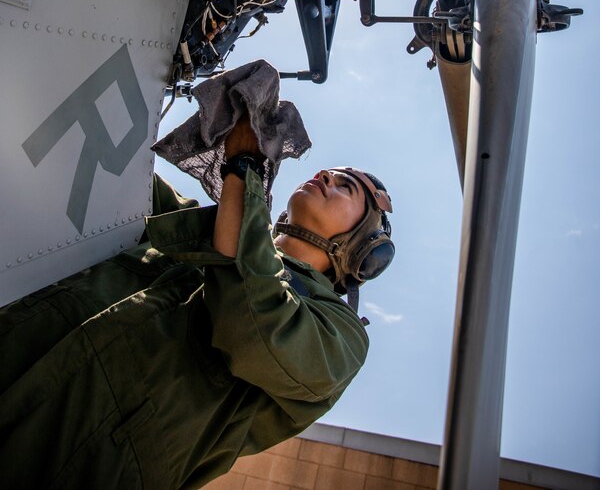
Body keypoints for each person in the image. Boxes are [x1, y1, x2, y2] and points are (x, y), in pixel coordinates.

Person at [0, 114, 394, 490]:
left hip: (80, 457)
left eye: (347, 187)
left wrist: (245, 164)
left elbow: (255, 322)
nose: (325, 175)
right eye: (332, 173)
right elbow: (115, 172)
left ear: (362, 249)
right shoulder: (196, 230)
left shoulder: (340, 336)